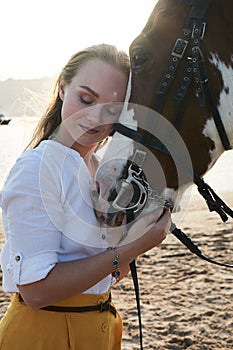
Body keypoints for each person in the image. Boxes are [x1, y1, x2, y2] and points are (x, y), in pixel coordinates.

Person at [0, 44, 171, 350]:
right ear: (63, 88)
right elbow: (36, 292)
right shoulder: (37, 170)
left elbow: (101, 276)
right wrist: (136, 246)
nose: (94, 117)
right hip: (44, 336)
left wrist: (139, 230)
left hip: (98, 330)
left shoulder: (103, 170)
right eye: (87, 99)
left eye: (111, 110)